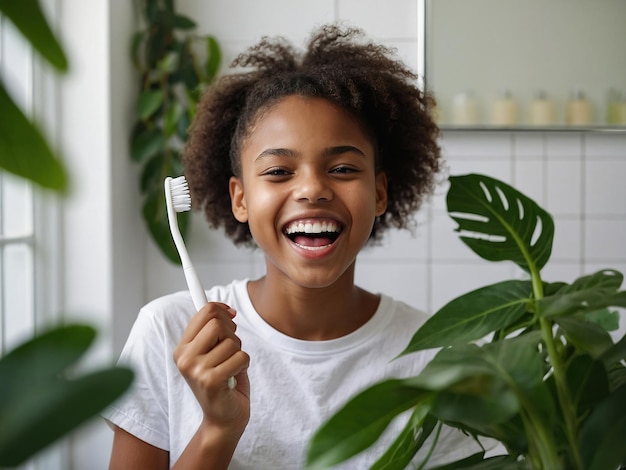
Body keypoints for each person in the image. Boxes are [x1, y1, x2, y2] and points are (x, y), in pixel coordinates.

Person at [105, 24, 483, 469]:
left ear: (380, 192)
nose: (312, 189)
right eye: (279, 172)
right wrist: (217, 430)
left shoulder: (438, 357)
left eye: (342, 168)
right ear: (240, 198)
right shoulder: (167, 332)